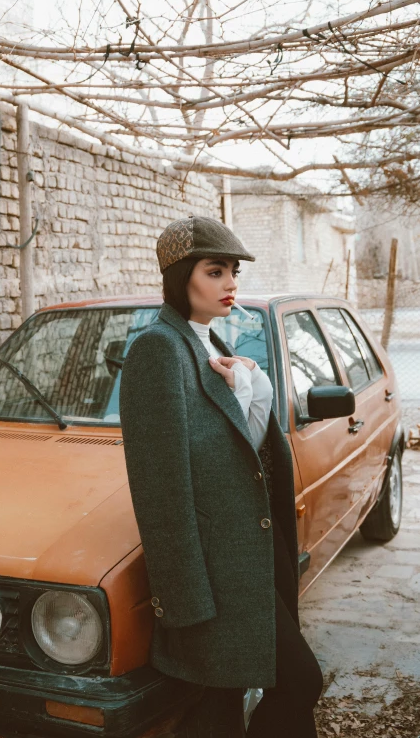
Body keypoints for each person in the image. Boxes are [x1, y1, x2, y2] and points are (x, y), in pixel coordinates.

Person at [119, 215, 324, 737]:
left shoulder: (212, 346)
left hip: (250, 558)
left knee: (220, 711)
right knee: (299, 681)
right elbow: (161, 487)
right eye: (215, 271)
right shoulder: (159, 349)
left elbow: (245, 454)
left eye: (233, 271)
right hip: (215, 576)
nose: (231, 283)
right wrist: (186, 603)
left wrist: (257, 393)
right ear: (180, 275)